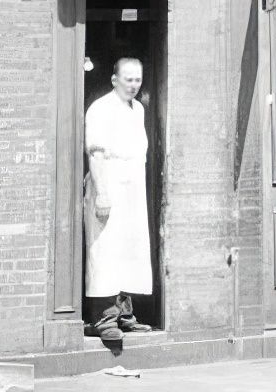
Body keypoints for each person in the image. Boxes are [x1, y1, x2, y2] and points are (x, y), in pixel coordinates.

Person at [83, 58, 153, 342]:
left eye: (138, 79)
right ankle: (104, 318)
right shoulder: (101, 108)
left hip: (132, 188)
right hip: (108, 183)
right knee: (106, 248)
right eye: (128, 79)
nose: (134, 85)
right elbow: (96, 152)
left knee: (129, 247)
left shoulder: (138, 109)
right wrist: (102, 193)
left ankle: (124, 313)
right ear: (115, 80)